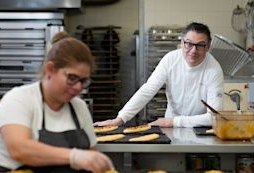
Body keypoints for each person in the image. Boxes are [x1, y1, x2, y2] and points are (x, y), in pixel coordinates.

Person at [0, 31, 114, 173]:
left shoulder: (79, 107)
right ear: (50, 69)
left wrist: (99, 163)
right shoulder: (19, 99)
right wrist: (74, 156)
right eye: (72, 78)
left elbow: (91, 154)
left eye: (83, 81)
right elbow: (19, 150)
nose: (78, 87)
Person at [95, 22, 224, 128]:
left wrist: (173, 121)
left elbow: (214, 117)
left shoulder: (214, 69)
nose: (193, 50)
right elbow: (148, 90)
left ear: (208, 47)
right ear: (182, 42)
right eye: (189, 44)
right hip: (171, 129)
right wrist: (121, 118)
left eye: (200, 45)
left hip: (199, 128)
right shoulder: (171, 59)